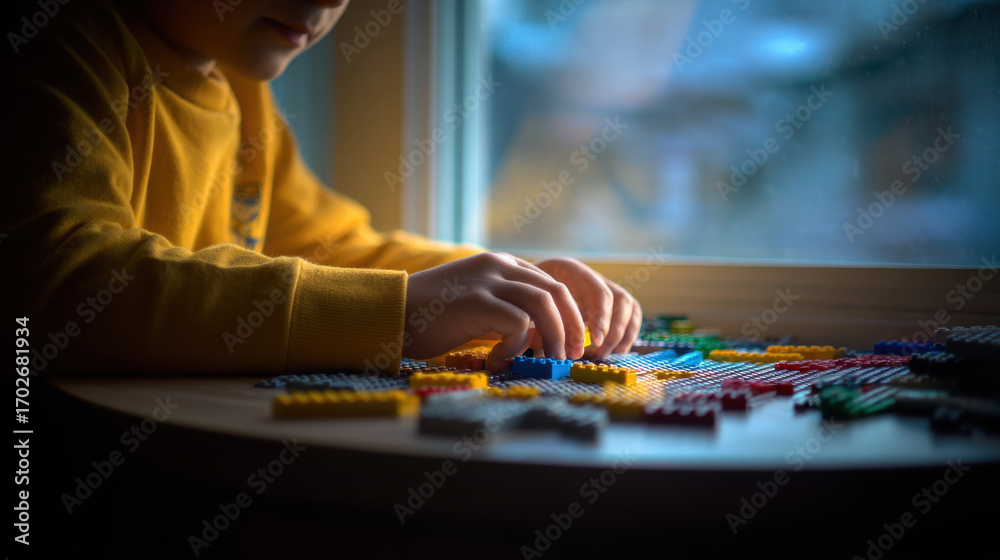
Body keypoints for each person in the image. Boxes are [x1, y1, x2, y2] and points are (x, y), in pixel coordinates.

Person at [4, 0, 641, 376]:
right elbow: (59, 279)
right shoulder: (62, 50)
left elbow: (332, 246)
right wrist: (395, 311)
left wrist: (508, 282)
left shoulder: (242, 91)